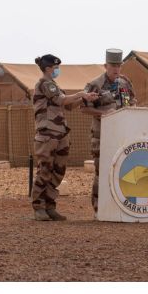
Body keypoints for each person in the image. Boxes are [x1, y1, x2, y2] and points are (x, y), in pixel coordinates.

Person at [31, 54, 99, 221]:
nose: (57, 70)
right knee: (45, 170)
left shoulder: (54, 85)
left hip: (60, 134)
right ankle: (38, 207)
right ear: (48, 68)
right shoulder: (44, 84)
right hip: (47, 135)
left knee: (58, 171)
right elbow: (62, 100)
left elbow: (68, 105)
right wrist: (80, 93)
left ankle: (50, 206)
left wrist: (85, 98)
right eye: (55, 68)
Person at [81, 48, 137, 214]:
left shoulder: (125, 82)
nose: (116, 69)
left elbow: (133, 100)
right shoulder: (95, 84)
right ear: (105, 65)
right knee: (102, 171)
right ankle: (99, 208)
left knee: (123, 170)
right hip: (102, 136)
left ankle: (119, 206)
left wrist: (132, 108)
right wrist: (104, 113)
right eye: (113, 65)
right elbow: (83, 108)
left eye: (119, 65)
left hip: (123, 136)